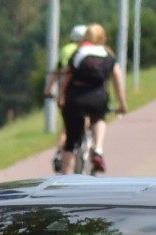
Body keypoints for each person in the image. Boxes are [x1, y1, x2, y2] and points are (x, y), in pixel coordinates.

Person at [57, 23, 128, 175]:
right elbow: (117, 83)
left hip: (75, 98)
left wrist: (60, 98)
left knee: (70, 141)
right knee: (99, 118)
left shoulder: (78, 53)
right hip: (98, 98)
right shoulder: (108, 55)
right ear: (102, 39)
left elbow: (65, 79)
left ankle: (65, 182)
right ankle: (98, 149)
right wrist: (122, 104)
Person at [44, 24, 88, 173]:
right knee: (86, 120)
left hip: (67, 94)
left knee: (67, 127)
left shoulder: (66, 50)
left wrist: (48, 90)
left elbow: (57, 71)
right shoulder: (88, 50)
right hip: (86, 92)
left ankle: (59, 152)